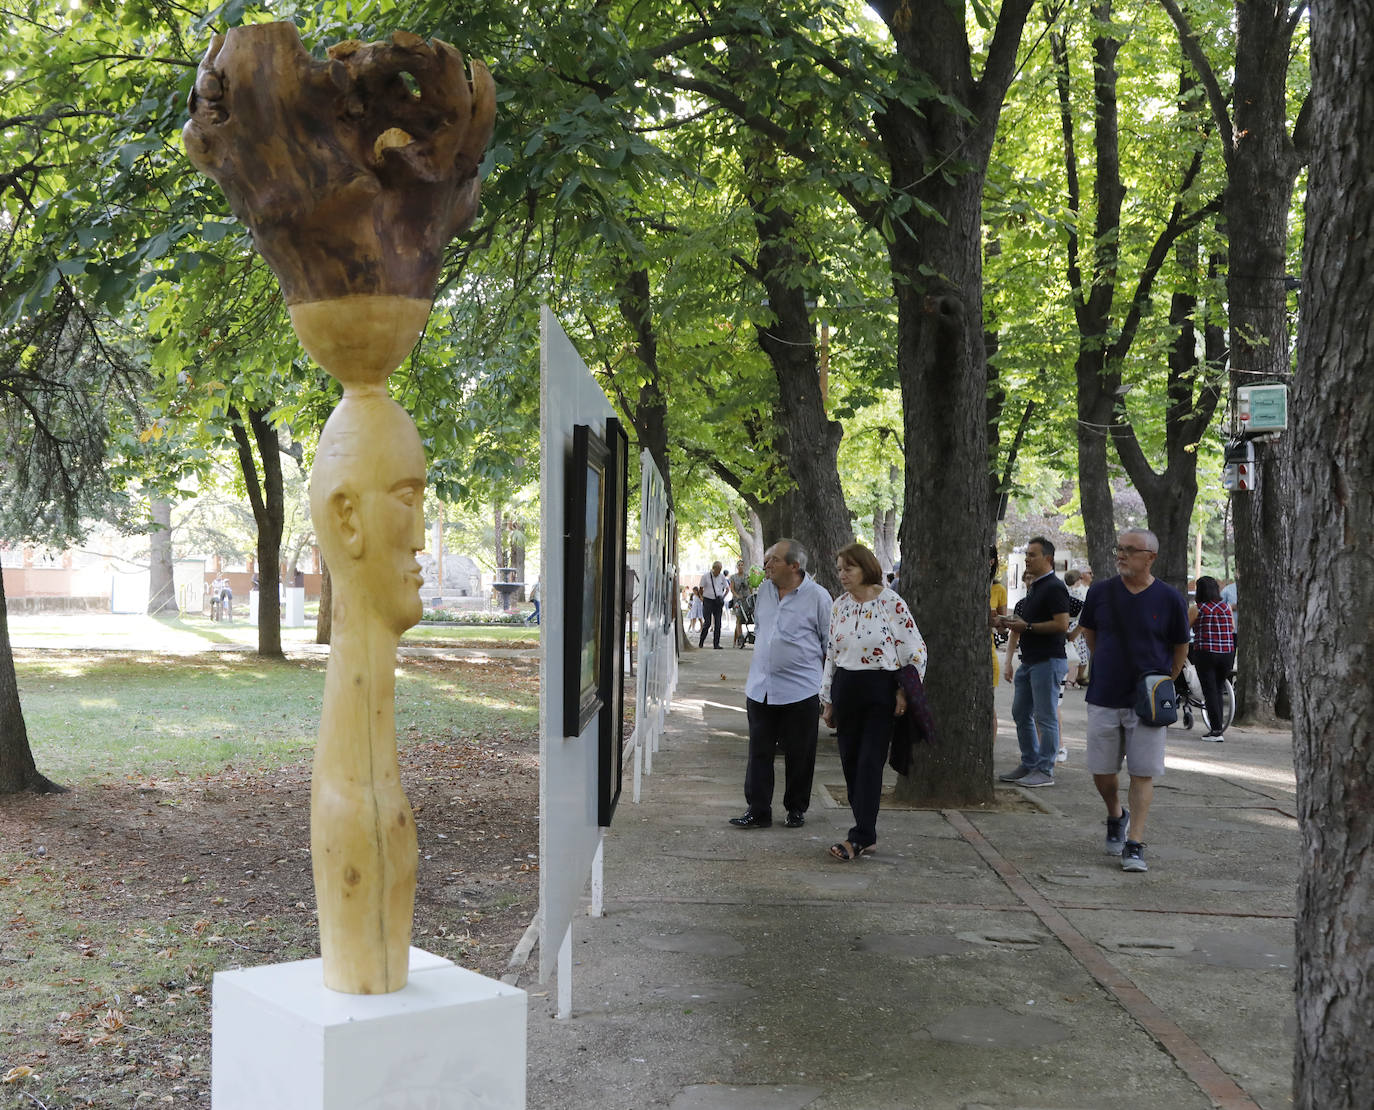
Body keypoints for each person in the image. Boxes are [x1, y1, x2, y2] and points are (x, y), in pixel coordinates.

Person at [1078, 528, 1190, 873]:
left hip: (1148, 703)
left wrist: (1162, 685)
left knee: (1143, 773)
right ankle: (1116, 814)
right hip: (1105, 694)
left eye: (1130, 550)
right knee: (1102, 772)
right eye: (1119, 549)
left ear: (1151, 557)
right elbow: (1091, 635)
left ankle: (1134, 843)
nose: (1121, 555)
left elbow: (1180, 647)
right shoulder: (1100, 592)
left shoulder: (1170, 599)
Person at [820, 543, 927, 861]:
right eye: (839, 568)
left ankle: (861, 836)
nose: (842, 575)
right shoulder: (839, 605)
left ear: (866, 568)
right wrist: (827, 699)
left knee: (869, 763)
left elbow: (915, 650)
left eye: (848, 568)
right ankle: (865, 829)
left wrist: (904, 692)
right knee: (851, 764)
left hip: (880, 692)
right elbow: (831, 653)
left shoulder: (890, 602)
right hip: (846, 690)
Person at [728, 539, 833, 831]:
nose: (766, 565)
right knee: (759, 752)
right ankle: (758, 810)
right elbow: (763, 631)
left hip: (800, 690)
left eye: (773, 560)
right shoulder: (764, 591)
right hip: (761, 687)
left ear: (794, 566)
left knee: (800, 754)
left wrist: (828, 694)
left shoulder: (818, 597)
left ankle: (796, 809)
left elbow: (830, 646)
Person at [997, 537, 1070, 787]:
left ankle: (1045, 770)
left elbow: (1062, 624)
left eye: (1032, 555)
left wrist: (1026, 626)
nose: (1027, 558)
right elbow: (1023, 623)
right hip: (1029, 661)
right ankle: (1029, 763)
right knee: (1020, 712)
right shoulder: (1035, 588)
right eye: (1026, 554)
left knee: (1045, 716)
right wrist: (1007, 622)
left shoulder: (1054, 587)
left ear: (1048, 559)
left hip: (1047, 660)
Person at [1188, 576, 1235, 741]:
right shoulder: (1226, 607)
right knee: (1218, 689)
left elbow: (1185, 627)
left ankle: (1216, 731)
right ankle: (1218, 727)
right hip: (1227, 653)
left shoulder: (1197, 608)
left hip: (1205, 653)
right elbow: (1232, 627)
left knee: (1209, 690)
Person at [698, 560, 730, 649]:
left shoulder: (722, 577)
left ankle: (716, 644)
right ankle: (701, 641)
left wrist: (722, 597)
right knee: (707, 622)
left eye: (720, 569)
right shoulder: (706, 576)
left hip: (718, 601)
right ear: (713, 568)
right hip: (708, 600)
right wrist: (701, 597)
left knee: (718, 623)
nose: (719, 571)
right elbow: (701, 588)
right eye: (718, 569)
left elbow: (727, 588)